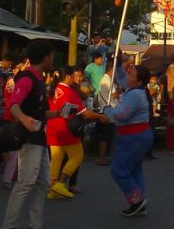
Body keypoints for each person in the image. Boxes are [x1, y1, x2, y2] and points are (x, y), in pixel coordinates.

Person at [0, 40, 68, 229]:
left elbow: (37, 111)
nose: (53, 59)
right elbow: (13, 106)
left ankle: (35, 228)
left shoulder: (38, 80)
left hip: (40, 138)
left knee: (41, 183)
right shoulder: (27, 78)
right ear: (46, 57)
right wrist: (23, 118)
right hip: (29, 139)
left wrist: (56, 113)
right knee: (26, 182)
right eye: (52, 55)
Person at [103, 64, 152, 216]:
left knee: (119, 170)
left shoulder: (135, 94)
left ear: (139, 82)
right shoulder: (135, 89)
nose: (128, 76)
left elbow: (122, 114)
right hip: (138, 135)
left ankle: (136, 200)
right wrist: (118, 64)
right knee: (134, 170)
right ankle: (139, 201)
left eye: (132, 75)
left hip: (134, 137)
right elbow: (122, 78)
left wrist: (107, 111)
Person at [47, 67, 99, 199]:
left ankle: (52, 188)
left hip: (52, 128)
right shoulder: (68, 92)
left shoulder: (52, 89)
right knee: (77, 156)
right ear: (69, 77)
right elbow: (85, 112)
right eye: (74, 76)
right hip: (66, 128)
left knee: (56, 159)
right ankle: (60, 184)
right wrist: (101, 117)